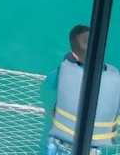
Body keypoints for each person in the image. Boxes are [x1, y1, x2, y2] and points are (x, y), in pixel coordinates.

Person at [46, 25, 120, 153]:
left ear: (74, 54)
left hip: (60, 145)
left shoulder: (62, 72)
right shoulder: (115, 77)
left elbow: (48, 88)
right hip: (96, 149)